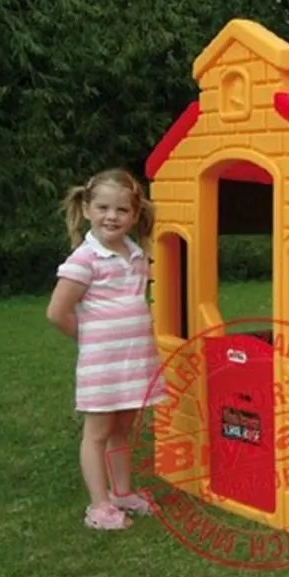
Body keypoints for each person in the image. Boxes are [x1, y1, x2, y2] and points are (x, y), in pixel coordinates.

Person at [46, 168, 167, 530]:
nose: (111, 216)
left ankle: (122, 493)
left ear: (134, 214)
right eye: (103, 208)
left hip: (133, 361)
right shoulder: (85, 260)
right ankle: (99, 507)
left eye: (122, 210)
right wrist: (90, 341)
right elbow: (57, 312)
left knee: (122, 430)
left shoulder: (136, 253)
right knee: (97, 433)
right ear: (87, 209)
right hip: (103, 365)